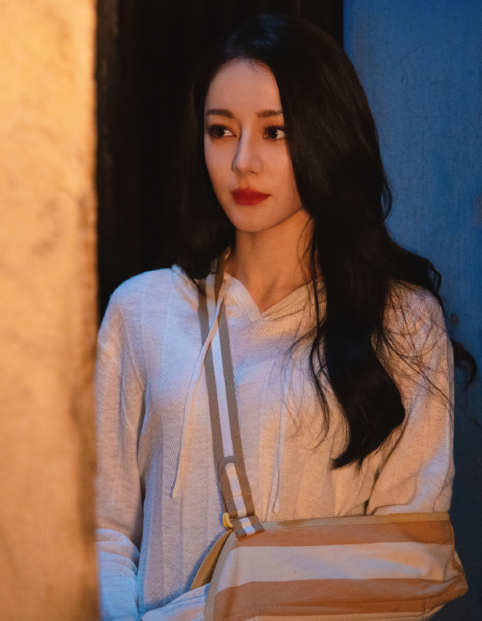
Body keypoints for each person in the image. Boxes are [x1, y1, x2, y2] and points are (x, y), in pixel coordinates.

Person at [94, 12, 476, 621]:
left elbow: (408, 566)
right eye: (221, 131)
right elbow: (106, 530)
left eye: (275, 131)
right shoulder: (142, 310)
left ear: (326, 135)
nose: (243, 161)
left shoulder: (402, 322)